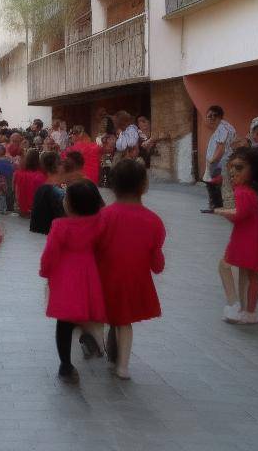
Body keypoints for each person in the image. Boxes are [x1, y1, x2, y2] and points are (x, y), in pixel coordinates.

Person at [96, 159, 165, 380]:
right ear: (144, 186)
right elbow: (157, 263)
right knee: (124, 322)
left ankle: (97, 342)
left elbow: (94, 247)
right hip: (135, 280)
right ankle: (123, 367)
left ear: (112, 185)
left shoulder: (104, 216)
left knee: (102, 316)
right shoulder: (154, 221)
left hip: (105, 277)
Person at [40, 180, 106, 384]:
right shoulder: (99, 224)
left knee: (64, 321)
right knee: (86, 310)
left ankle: (66, 364)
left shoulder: (60, 226)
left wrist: (45, 271)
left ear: (69, 204)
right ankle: (89, 336)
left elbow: (50, 253)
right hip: (88, 272)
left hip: (65, 275)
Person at [214, 148, 258, 324]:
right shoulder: (248, 191)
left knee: (226, 266)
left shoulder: (243, 191)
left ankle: (236, 306)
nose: (233, 172)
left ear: (252, 170)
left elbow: (239, 215)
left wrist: (222, 212)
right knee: (249, 274)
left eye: (239, 168)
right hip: (252, 236)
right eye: (232, 168)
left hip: (245, 238)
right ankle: (248, 311)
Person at [201, 106, 236, 212]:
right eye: (209, 116)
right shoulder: (226, 127)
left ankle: (215, 206)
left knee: (212, 183)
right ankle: (217, 205)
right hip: (224, 160)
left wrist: (213, 161)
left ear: (220, 116)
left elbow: (221, 148)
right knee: (218, 183)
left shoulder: (222, 128)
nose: (211, 118)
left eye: (214, 116)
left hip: (219, 162)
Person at [30, 152, 65, 234]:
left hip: (42, 229)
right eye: (61, 163)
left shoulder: (42, 187)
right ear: (57, 167)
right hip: (53, 230)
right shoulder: (57, 191)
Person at [13, 148, 46, 217]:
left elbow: (14, 190)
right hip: (35, 210)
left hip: (21, 209)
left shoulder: (18, 174)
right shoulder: (41, 175)